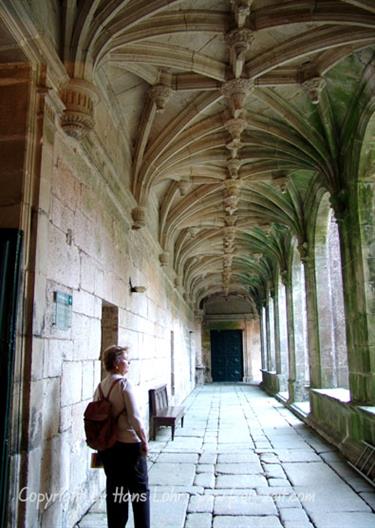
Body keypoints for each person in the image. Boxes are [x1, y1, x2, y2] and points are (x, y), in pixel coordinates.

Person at [94, 345, 150, 528]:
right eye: (127, 360)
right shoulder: (125, 385)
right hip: (129, 447)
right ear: (117, 364)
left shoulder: (100, 387)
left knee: (115, 493)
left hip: (109, 449)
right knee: (140, 493)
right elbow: (135, 417)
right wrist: (144, 440)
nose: (129, 364)